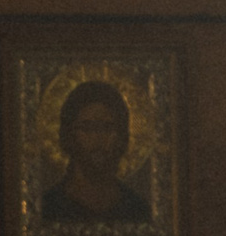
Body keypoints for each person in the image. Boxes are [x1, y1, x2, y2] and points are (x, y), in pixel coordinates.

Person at [41, 80, 153, 225]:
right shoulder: (49, 208)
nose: (97, 138)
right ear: (68, 135)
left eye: (107, 128)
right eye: (87, 128)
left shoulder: (138, 211)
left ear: (122, 137)